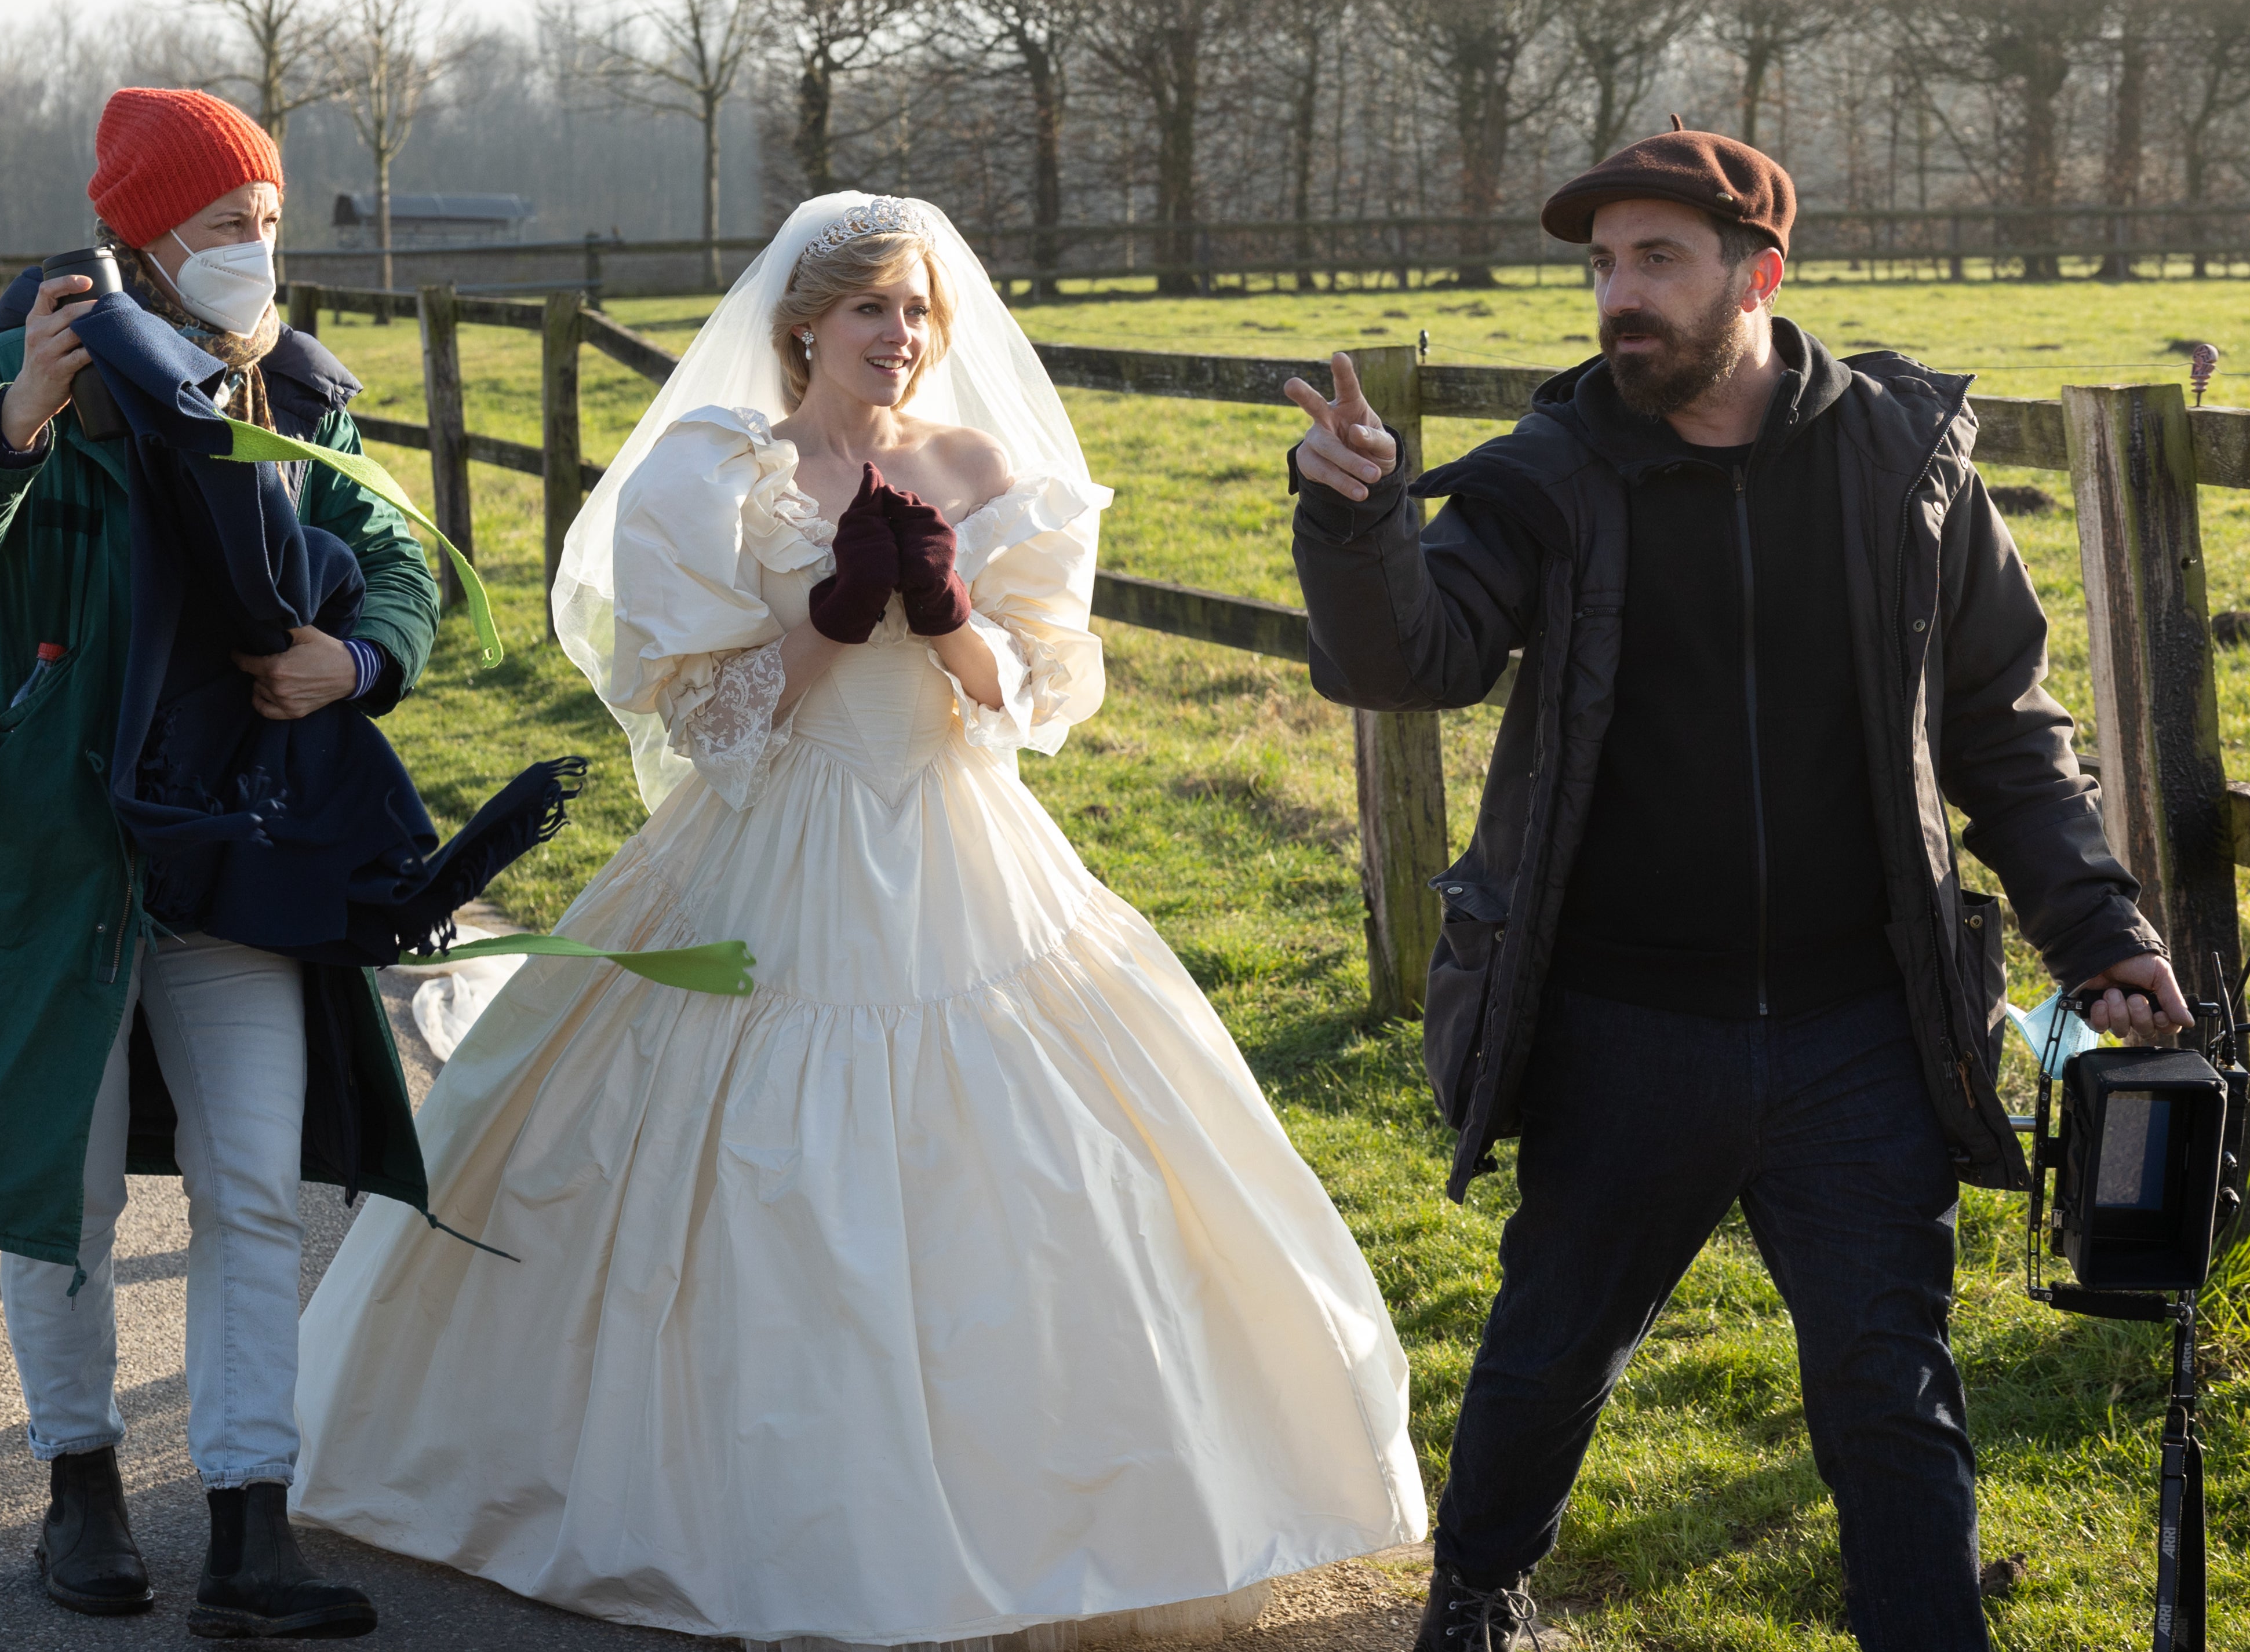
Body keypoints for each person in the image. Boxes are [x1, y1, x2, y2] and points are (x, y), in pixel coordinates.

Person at [289, 192, 1427, 1643]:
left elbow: (1036, 693)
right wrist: (824, 620)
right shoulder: (716, 474)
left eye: (921, 311)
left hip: (959, 844)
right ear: (804, 325)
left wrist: (947, 611)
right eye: (876, 308)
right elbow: (707, 722)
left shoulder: (974, 463)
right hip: (771, 842)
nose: (904, 336)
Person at [1284, 123, 2190, 1652]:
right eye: (1598, 266)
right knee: (1545, 1353)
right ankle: (1477, 1596)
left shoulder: (1903, 466)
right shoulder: (1549, 475)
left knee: (1885, 1383)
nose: (1615, 297)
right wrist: (1363, 520)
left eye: (1655, 261)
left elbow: (1998, 726)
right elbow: (1408, 661)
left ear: (1759, 276)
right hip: (1621, 1024)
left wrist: (2095, 932)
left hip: (1861, 1028)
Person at [0, 86, 442, 1638]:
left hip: (239, 851)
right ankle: (81, 1492)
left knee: (255, 1188)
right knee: (65, 1192)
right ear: (146, 242)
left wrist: (360, 660)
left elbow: (396, 560)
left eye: (269, 220)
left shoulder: (301, 396)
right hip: (57, 857)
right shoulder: (31, 366)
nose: (259, 251)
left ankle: (253, 1526)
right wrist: (15, 417)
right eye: (224, 228)